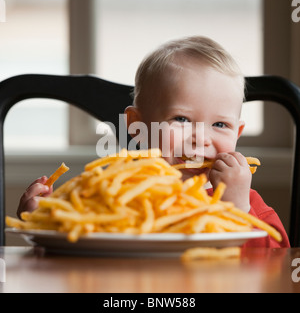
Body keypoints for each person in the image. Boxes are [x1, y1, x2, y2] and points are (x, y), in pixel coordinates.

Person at [18, 36, 290, 248]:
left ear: (237, 134)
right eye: (181, 119)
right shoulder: (114, 194)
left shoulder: (248, 205)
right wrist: (43, 221)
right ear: (137, 126)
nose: (201, 138)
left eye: (220, 125)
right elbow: (76, 252)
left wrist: (236, 212)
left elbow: (273, 267)